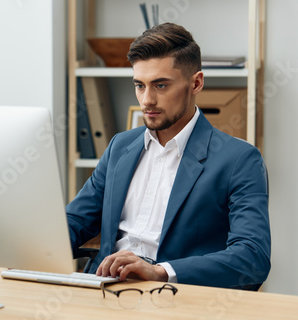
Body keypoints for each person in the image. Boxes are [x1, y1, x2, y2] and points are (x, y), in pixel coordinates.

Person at [66, 22, 270, 290]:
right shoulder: (120, 146)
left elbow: (252, 258)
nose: (147, 100)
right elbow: (74, 222)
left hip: (174, 296)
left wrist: (160, 272)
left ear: (196, 83)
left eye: (160, 86)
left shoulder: (240, 160)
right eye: (139, 85)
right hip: (105, 290)